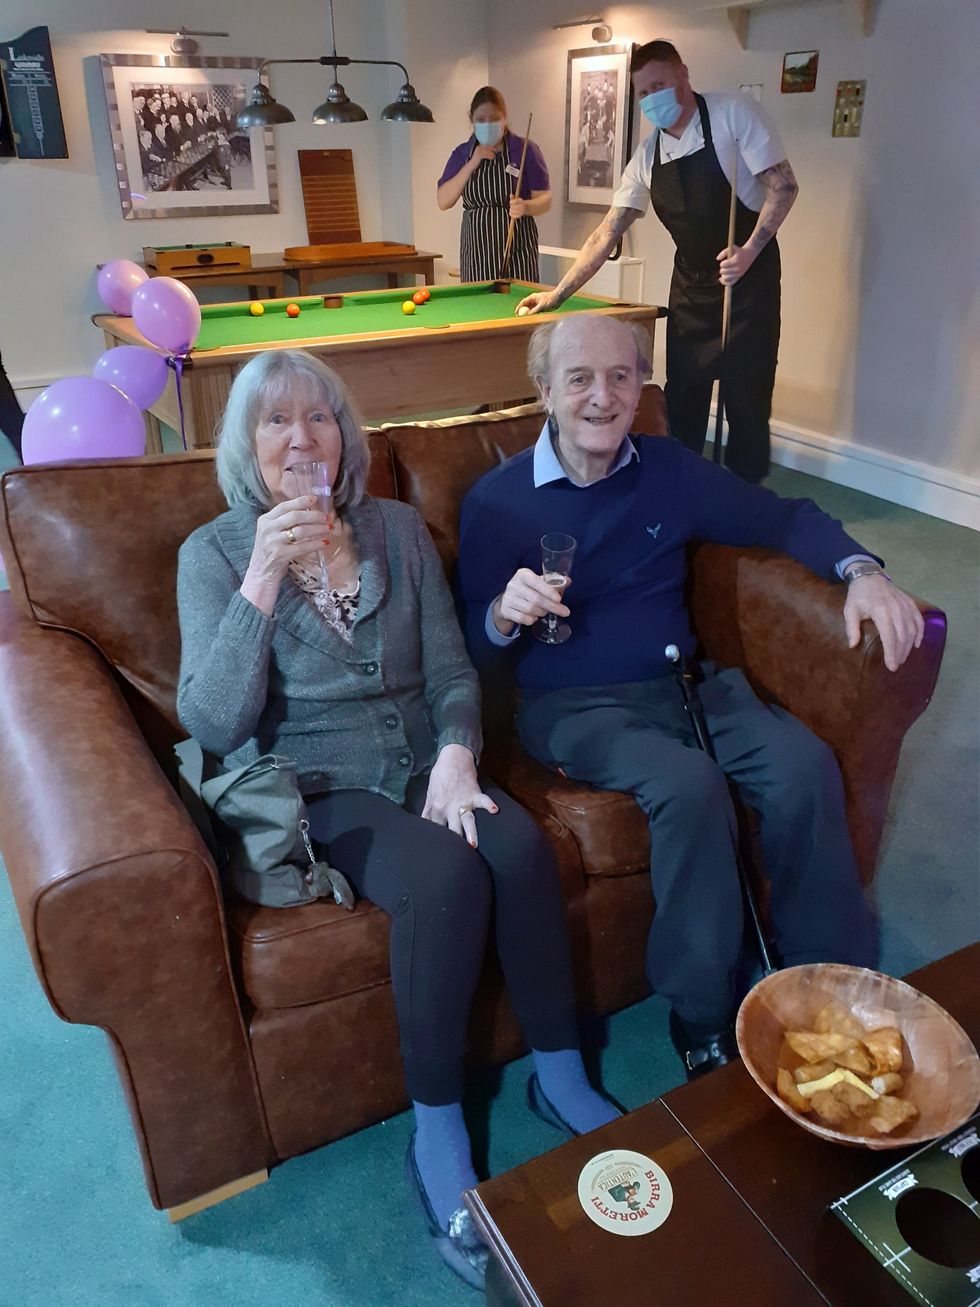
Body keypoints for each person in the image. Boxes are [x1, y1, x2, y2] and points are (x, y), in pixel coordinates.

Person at [176, 348, 619, 1290]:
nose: (303, 439)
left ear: (345, 435)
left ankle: (561, 1074)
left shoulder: (399, 529)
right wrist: (261, 578)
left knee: (518, 846)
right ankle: (439, 1133)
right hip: (320, 785)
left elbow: (457, 670)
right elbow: (212, 721)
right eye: (276, 423)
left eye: (321, 418)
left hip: (427, 760)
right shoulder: (212, 553)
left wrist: (458, 750)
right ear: (246, 446)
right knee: (446, 876)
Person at [455, 314, 926, 1080]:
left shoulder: (670, 469)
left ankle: (824, 977)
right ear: (544, 391)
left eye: (621, 376)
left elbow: (783, 517)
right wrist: (503, 615)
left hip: (686, 684)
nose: (603, 396)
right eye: (579, 379)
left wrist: (861, 570)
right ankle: (701, 1010)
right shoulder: (499, 502)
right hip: (572, 705)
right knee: (689, 785)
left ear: (642, 384)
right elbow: (468, 653)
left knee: (803, 765)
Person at [518, 40, 800, 485]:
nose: (653, 98)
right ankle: (681, 493)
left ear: (683, 76)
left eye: (660, 85)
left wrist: (749, 251)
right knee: (683, 397)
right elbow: (606, 232)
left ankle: (746, 498)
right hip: (689, 285)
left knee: (746, 400)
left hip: (747, 282)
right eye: (644, 92)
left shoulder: (733, 115)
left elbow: (783, 187)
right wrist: (556, 294)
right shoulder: (648, 156)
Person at [437, 86, 551, 283]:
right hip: (476, 256)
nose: (487, 124)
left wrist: (526, 207)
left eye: (494, 118)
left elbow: (545, 200)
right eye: (481, 120)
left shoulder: (525, 150)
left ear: (504, 118)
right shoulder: (462, 154)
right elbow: (443, 201)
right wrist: (473, 163)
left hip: (518, 252)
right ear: (471, 120)